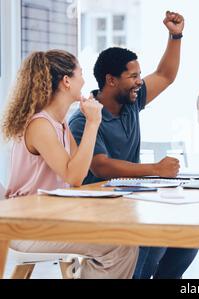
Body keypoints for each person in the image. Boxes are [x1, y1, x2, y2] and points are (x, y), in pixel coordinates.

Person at [69, 11, 198, 279]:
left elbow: (165, 74)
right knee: (153, 235)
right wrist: (155, 169)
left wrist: (176, 35)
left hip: (131, 198)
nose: (140, 81)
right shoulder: (84, 117)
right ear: (111, 80)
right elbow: (101, 166)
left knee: (189, 232)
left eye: (140, 74)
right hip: (99, 205)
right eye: (133, 76)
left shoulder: (130, 103)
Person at [2, 50, 138, 279]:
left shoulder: (60, 123)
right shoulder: (40, 126)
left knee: (124, 238)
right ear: (66, 81)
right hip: (26, 227)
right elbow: (73, 176)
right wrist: (93, 123)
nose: (84, 81)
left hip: (50, 217)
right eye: (80, 74)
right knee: (119, 244)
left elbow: (80, 171)